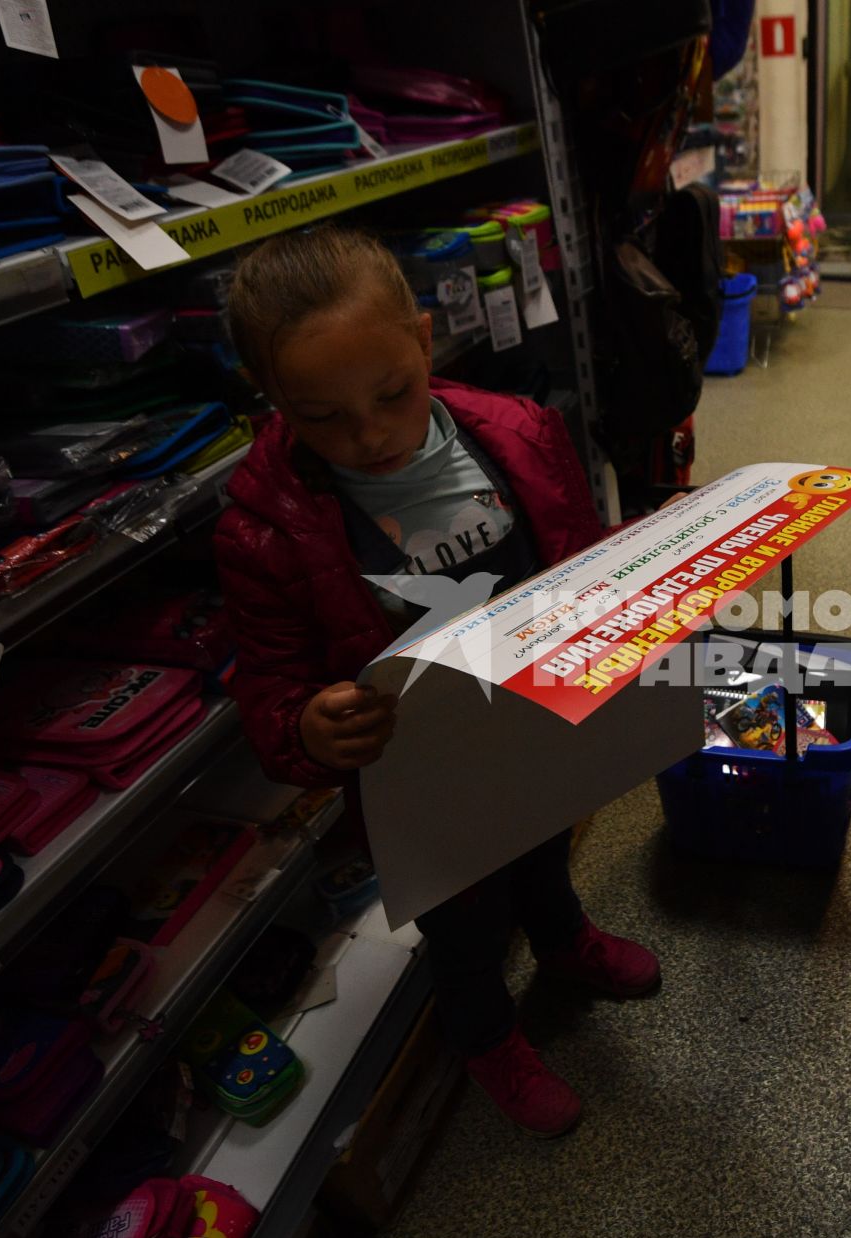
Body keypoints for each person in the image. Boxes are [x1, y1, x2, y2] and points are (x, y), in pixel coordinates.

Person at [214, 225, 660, 1140]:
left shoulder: (521, 436)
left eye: (391, 394)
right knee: (461, 927)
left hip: (533, 732)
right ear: (272, 401)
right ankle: (486, 1036)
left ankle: (564, 939)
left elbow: (580, 562)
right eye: (322, 416)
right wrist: (306, 726)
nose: (368, 435)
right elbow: (267, 692)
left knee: (543, 849)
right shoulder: (263, 528)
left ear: (425, 342)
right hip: (421, 784)